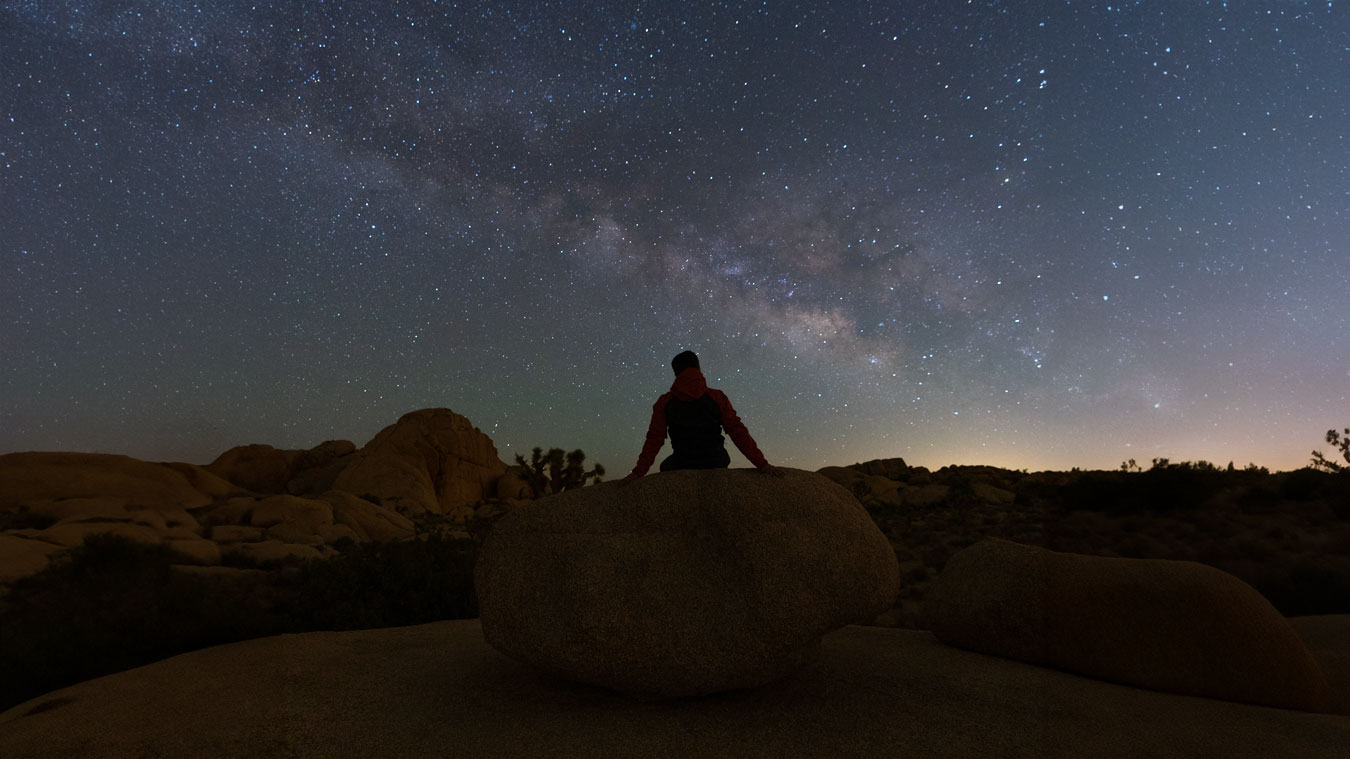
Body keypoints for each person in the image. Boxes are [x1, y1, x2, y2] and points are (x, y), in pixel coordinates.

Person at [621, 351, 786, 483]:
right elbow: (737, 431)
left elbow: (654, 439)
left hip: (682, 462)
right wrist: (762, 464)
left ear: (676, 373)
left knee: (665, 465)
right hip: (715, 459)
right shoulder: (717, 397)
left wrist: (638, 472)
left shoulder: (664, 402)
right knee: (722, 455)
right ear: (698, 368)